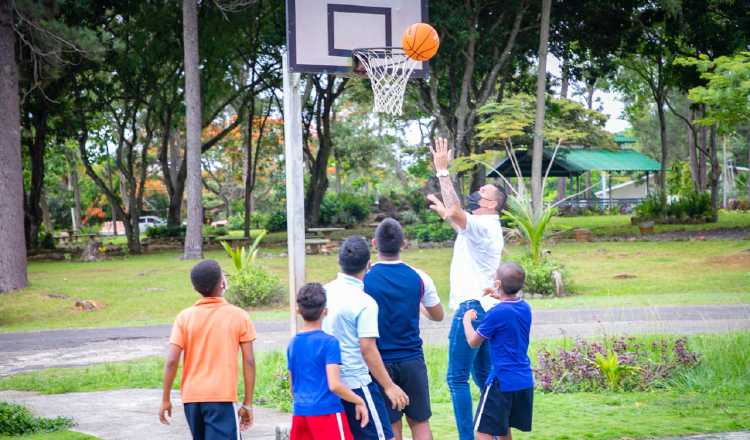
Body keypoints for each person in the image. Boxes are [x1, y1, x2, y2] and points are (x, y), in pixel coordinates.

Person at [427, 137, 507, 440]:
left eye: (483, 191)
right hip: (484, 309)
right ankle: (497, 434)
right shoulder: (483, 227)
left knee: (456, 378)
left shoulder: (485, 225)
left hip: (471, 309)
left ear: (490, 203)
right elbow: (458, 219)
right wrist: (443, 208)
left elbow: (459, 213)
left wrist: (443, 171)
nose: (478, 191)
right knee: (484, 377)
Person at [364, 218, 445, 440]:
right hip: (412, 358)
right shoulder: (419, 277)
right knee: (420, 422)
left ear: (374, 243)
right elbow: (438, 315)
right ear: (403, 243)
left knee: (392, 426)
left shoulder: (365, 279)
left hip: (380, 363)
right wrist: (419, 306)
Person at [323, 236, 409, 440]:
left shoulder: (323, 292)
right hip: (356, 382)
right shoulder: (365, 302)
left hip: (328, 381)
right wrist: (389, 386)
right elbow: (367, 348)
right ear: (368, 265)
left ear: (339, 261)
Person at [159, 259, 255, 440]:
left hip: (191, 399)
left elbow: (172, 361)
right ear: (222, 283)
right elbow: (249, 360)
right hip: (221, 398)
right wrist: (247, 403)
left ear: (195, 288)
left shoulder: (184, 317)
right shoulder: (239, 315)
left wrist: (165, 399)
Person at [287, 283, 369, 440]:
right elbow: (335, 384)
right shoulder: (329, 342)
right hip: (327, 414)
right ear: (325, 311)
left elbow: (293, 387)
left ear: (298, 311)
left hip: (300, 414)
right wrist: (359, 400)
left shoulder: (293, 343)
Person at [463, 262, 533, 440]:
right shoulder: (525, 307)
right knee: (503, 429)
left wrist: (466, 319)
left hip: (501, 380)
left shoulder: (496, 313)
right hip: (523, 379)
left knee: (482, 432)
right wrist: (498, 296)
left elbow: (473, 342)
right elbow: (508, 311)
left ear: (499, 284)